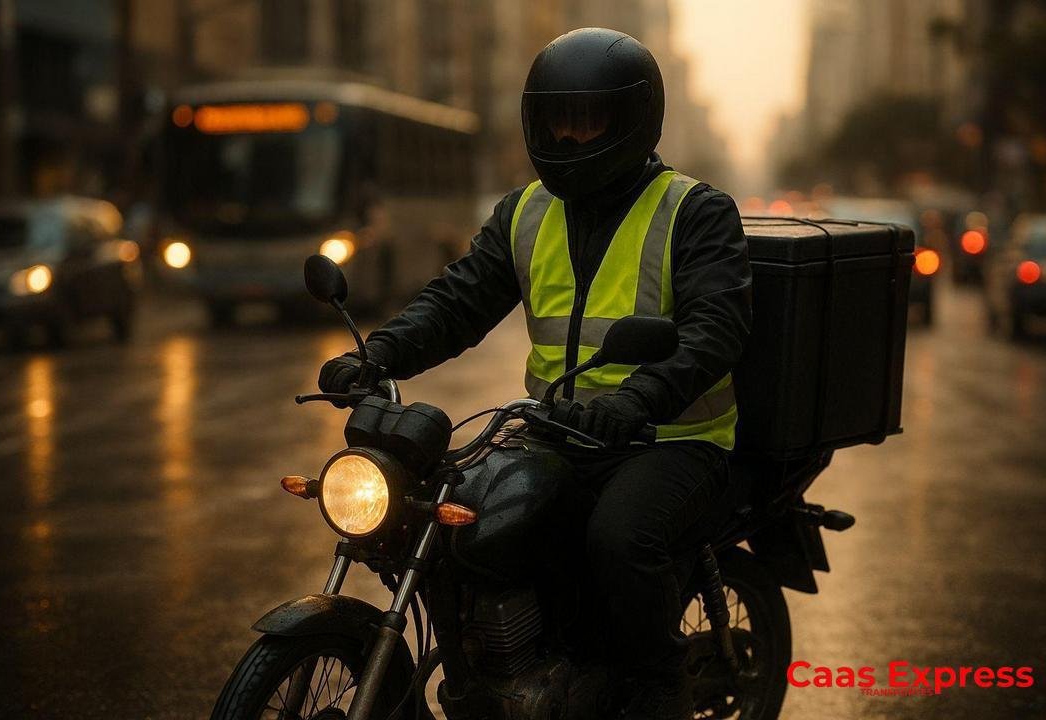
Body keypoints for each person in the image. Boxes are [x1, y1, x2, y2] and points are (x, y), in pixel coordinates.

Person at [319, 27, 751, 720]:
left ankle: (654, 689)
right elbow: (459, 300)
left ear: (633, 119)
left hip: (672, 439)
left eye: (589, 120)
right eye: (558, 120)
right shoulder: (525, 213)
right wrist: (379, 354)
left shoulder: (694, 212)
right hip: (558, 431)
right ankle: (500, 667)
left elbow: (714, 330)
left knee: (618, 537)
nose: (571, 137)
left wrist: (638, 397)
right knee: (464, 517)